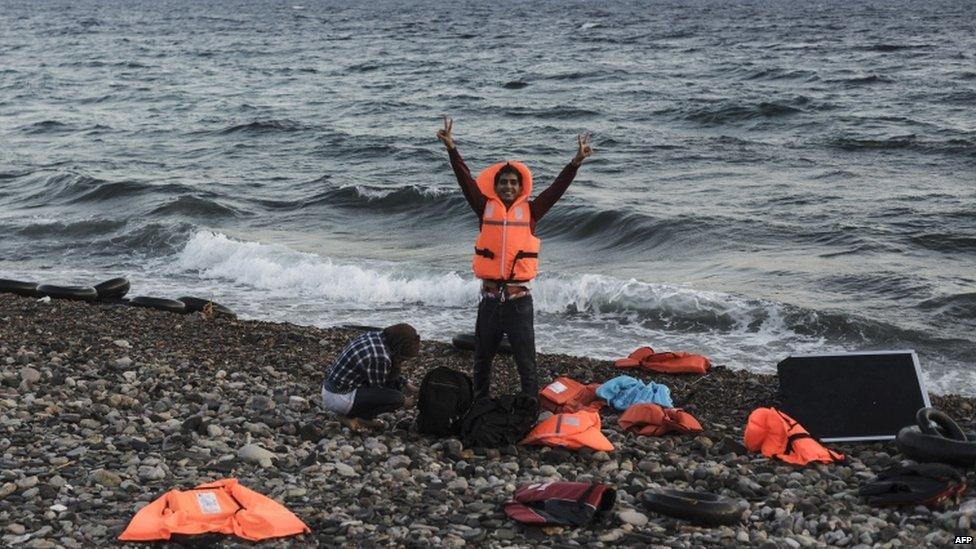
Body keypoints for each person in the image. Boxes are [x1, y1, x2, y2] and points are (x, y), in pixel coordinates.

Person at [437, 117, 593, 399]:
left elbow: (556, 190)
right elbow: (465, 180)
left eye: (513, 183)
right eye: (503, 183)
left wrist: (575, 163)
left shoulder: (532, 211)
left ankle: (529, 408)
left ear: (521, 187)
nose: (508, 187)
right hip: (490, 301)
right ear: (495, 187)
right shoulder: (483, 207)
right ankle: (479, 404)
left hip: (520, 302)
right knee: (482, 360)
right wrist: (452, 149)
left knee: (526, 362)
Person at [320, 323, 421, 431]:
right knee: (397, 398)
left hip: (332, 389)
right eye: (403, 358)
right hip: (340, 397)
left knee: (396, 387)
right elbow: (379, 390)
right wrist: (404, 401)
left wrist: (407, 384)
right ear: (398, 349)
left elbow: (388, 375)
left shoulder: (377, 337)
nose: (403, 362)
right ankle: (357, 418)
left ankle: (351, 414)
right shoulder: (380, 356)